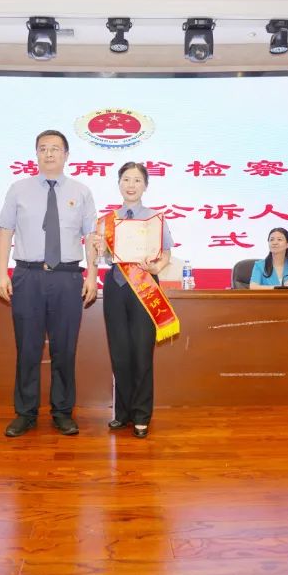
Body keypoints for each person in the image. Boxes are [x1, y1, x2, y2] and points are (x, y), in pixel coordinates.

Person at [0, 130, 98, 438]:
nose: (49, 153)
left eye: (55, 148)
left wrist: (93, 276)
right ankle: (25, 413)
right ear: (36, 154)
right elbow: (5, 232)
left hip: (68, 277)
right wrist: (2, 274)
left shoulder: (81, 191)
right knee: (27, 347)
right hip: (28, 276)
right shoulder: (18, 189)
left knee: (65, 349)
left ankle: (62, 412)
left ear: (66, 155)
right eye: (43, 148)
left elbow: (91, 237)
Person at [93, 162, 176, 438]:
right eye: (126, 179)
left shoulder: (155, 219)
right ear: (119, 184)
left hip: (145, 287)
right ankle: (123, 413)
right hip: (116, 287)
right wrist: (98, 247)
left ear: (145, 185)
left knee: (142, 352)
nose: (131, 185)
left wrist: (157, 266)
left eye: (137, 180)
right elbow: (103, 257)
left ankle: (141, 414)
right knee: (120, 352)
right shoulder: (106, 221)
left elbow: (166, 253)